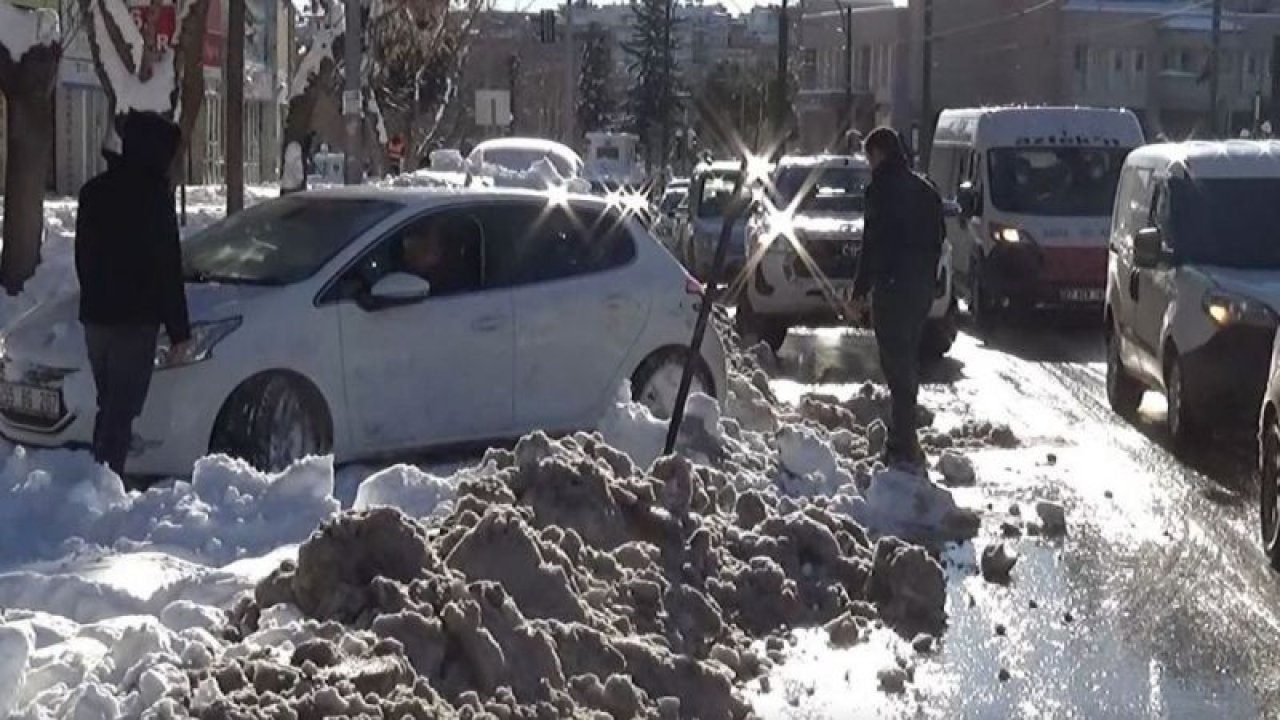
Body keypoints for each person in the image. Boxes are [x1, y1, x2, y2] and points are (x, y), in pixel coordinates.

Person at [75, 111, 190, 478]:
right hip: (135, 320)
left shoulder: (93, 192)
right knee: (122, 409)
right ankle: (105, 480)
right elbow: (167, 267)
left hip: (96, 319)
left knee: (108, 402)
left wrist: (95, 295)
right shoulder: (154, 198)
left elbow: (82, 257)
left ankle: (99, 474)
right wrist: (179, 332)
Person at [850, 127, 945, 470]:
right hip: (919, 288)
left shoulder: (880, 191)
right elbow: (939, 240)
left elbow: (873, 243)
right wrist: (930, 280)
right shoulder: (927, 191)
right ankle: (905, 436)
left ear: (879, 153)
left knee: (897, 363)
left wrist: (859, 290)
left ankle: (902, 442)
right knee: (907, 356)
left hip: (892, 287)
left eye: (869, 156)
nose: (868, 163)